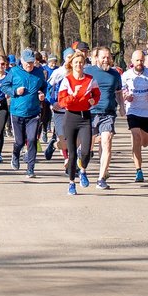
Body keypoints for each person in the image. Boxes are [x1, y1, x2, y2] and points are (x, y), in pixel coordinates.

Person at [0, 49, 47, 177]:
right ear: (21, 61)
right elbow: (4, 86)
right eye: (27, 63)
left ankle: (30, 169)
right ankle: (15, 154)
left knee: (31, 140)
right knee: (20, 142)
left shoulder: (39, 73)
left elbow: (44, 86)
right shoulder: (14, 71)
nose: (29, 65)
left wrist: (42, 94)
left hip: (34, 113)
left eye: (32, 63)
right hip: (17, 112)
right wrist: (15, 91)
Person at [58, 51, 100, 195]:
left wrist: (94, 100)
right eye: (76, 62)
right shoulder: (67, 80)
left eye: (81, 62)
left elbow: (96, 94)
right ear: (72, 64)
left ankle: (82, 170)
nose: (79, 65)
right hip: (70, 117)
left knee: (86, 151)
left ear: (84, 64)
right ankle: (71, 183)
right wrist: (73, 96)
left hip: (85, 117)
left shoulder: (90, 79)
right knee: (72, 153)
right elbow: (62, 102)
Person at [121, 49, 148, 183]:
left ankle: (145, 139)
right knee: (136, 137)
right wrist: (126, 96)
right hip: (132, 110)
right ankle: (138, 170)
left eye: (141, 60)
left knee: (144, 142)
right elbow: (121, 91)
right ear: (132, 61)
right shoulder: (126, 75)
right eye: (137, 60)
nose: (139, 63)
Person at [84, 46, 123, 189]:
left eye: (108, 57)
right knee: (87, 146)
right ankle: (82, 168)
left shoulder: (115, 74)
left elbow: (118, 92)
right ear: (97, 58)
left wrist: (122, 107)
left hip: (108, 113)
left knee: (107, 141)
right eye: (103, 57)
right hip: (91, 112)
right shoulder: (88, 71)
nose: (106, 60)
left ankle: (101, 178)